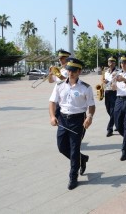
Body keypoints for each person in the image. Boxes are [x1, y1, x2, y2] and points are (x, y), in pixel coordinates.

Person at [49, 58, 96, 190]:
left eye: (74, 71)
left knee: (74, 149)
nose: (71, 73)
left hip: (78, 120)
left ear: (79, 71)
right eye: (69, 70)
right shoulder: (59, 85)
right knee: (62, 147)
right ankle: (82, 159)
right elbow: (52, 102)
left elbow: (91, 106)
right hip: (63, 119)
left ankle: (73, 176)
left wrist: (89, 117)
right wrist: (52, 116)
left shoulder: (86, 88)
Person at [48, 50, 71, 119]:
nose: (59, 60)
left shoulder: (70, 69)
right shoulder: (59, 69)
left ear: (67, 58)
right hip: (58, 97)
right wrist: (50, 74)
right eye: (59, 58)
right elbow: (51, 81)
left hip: (66, 97)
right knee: (57, 117)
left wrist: (58, 74)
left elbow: (69, 81)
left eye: (61, 58)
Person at [102, 55, 119, 137]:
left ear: (115, 63)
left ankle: (109, 129)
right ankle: (118, 122)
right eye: (109, 61)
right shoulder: (106, 72)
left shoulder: (118, 71)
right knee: (109, 110)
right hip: (107, 92)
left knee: (113, 112)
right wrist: (103, 83)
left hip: (114, 92)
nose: (111, 63)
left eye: (113, 61)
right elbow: (103, 81)